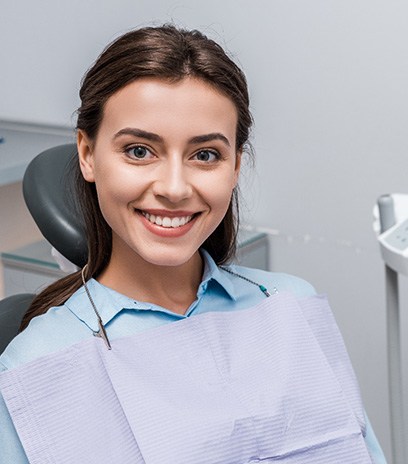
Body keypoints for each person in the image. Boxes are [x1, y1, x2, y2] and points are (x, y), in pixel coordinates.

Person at [0, 25, 386, 463]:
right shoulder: (38, 362)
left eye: (205, 155)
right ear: (87, 154)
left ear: (235, 166)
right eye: (139, 151)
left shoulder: (288, 303)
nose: (175, 187)